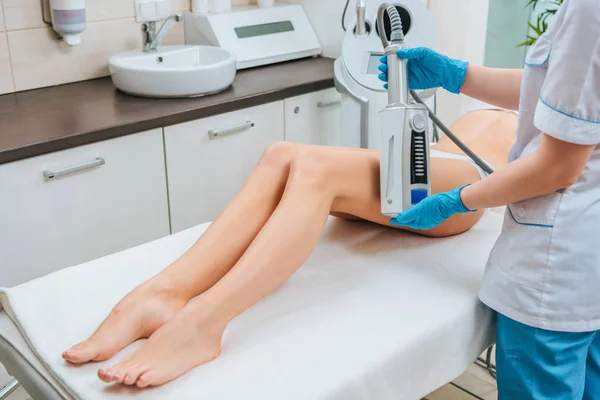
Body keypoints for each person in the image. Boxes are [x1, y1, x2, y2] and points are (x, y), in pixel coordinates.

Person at [60, 106, 517, 388]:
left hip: (465, 188)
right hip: (428, 170)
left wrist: (466, 198)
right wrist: (454, 72)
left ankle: (202, 323)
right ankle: (161, 293)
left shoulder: (579, 84)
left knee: (315, 163)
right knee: (281, 153)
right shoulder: (538, 75)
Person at [379, 0, 600, 398]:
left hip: (559, 267)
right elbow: (561, 90)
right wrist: (457, 75)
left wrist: (458, 200)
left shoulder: (590, 10)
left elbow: (557, 167)